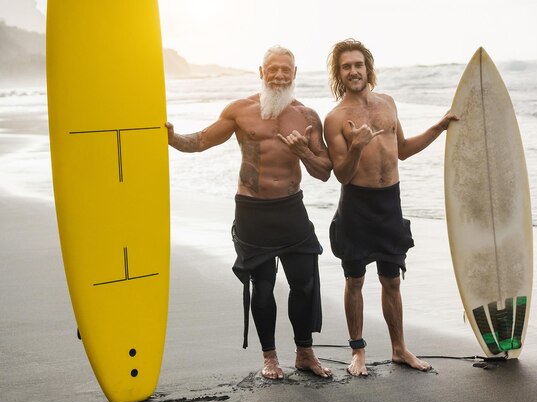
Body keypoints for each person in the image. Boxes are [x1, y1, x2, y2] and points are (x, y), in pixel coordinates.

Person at [167, 46, 332, 380]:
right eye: (272, 69)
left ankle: (305, 353)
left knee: (304, 283)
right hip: (252, 211)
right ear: (261, 72)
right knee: (263, 283)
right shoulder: (240, 111)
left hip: (291, 209)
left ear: (295, 73)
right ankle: (270, 357)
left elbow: (325, 170)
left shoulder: (308, 117)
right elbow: (200, 141)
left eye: (286, 70)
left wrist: (302, 151)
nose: (279, 75)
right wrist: (171, 138)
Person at [324, 39, 458, 377]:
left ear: (368, 67)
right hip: (356, 205)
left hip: (389, 203)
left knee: (392, 281)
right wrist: (356, 147)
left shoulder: (388, 104)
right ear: (339, 74)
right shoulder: (336, 117)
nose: (353, 71)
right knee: (354, 280)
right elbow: (340, 173)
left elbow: (403, 150)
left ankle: (399, 349)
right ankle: (358, 352)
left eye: (358, 64)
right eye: (346, 66)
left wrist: (439, 127)